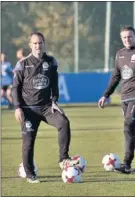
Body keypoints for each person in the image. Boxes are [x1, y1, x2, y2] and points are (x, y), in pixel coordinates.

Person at [12, 32, 77, 183]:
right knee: (28, 142)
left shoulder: (51, 61)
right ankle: (30, 173)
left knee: (64, 122)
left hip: (47, 107)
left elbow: (54, 83)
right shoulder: (22, 64)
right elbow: (15, 88)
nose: (37, 45)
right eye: (34, 43)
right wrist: (17, 107)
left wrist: (54, 100)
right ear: (30, 45)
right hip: (28, 109)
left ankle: (63, 159)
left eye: (40, 42)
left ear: (43, 43)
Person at [98, 25, 135, 174]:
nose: (127, 39)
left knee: (128, 125)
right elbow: (116, 76)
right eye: (124, 37)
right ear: (121, 39)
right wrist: (106, 95)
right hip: (125, 97)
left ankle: (126, 163)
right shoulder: (120, 54)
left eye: (130, 36)